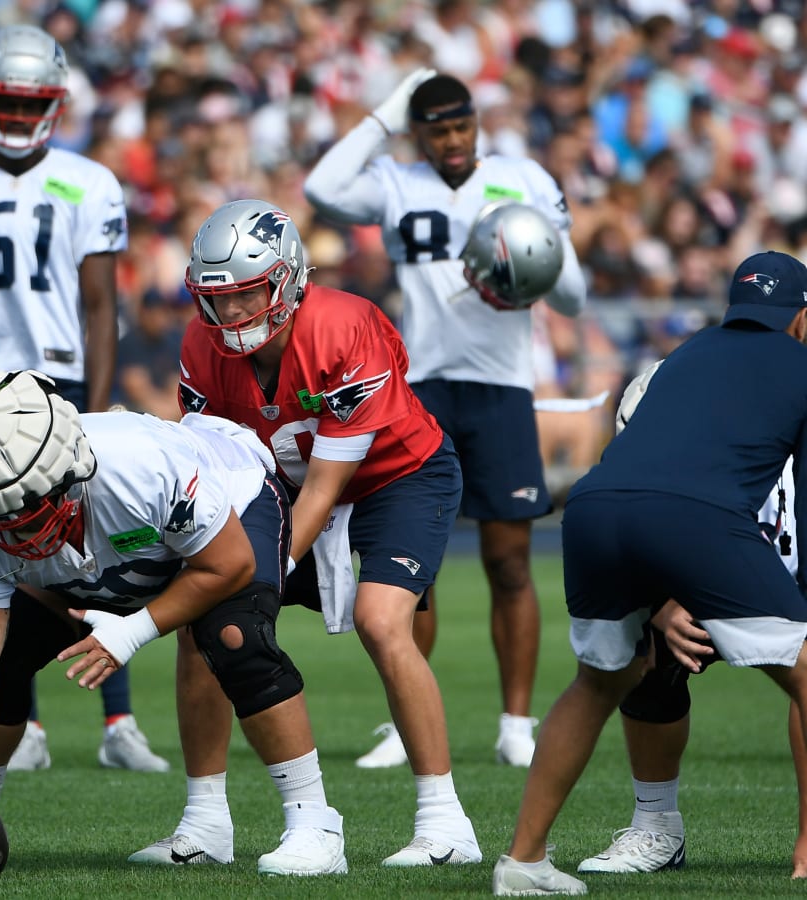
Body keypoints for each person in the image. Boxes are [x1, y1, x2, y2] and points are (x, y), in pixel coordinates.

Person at [143, 198, 481, 869]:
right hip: (287, 485)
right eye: (219, 299)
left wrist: (257, 581)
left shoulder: (343, 326)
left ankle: (447, 822)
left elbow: (327, 488)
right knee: (202, 614)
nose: (232, 314)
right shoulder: (199, 347)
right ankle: (206, 820)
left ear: (289, 278)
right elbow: (222, 467)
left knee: (384, 621)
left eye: (247, 295)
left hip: (396, 477)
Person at [0, 369, 346, 877]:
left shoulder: (142, 467)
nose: (12, 534)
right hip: (111, 549)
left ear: (69, 473)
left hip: (231, 506)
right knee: (10, 650)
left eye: (26, 512)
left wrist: (132, 629)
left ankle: (315, 823)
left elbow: (228, 566)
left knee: (233, 635)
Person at [492, 251, 807, 896]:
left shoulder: (684, 355)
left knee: (600, 679)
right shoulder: (799, 363)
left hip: (592, 510)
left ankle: (522, 861)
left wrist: (658, 590)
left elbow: (639, 467)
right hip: (702, 526)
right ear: (802, 318)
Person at [304, 69, 588, 767]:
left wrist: (531, 272)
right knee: (412, 565)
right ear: (419, 131)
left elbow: (575, 296)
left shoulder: (521, 176)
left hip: (500, 388)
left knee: (510, 561)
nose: (453, 140)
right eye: (436, 129)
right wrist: (387, 109)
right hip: (418, 387)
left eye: (462, 126)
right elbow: (321, 187)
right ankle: (406, 724)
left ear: (476, 126)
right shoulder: (399, 182)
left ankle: (515, 721)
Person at [0, 24, 162, 789]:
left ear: (55, 102)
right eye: (5, 100)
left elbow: (98, 308)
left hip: (60, 383)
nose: (18, 115)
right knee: (4, 556)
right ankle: (23, 724)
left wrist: (104, 399)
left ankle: (117, 717)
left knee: (95, 548)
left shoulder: (90, 181)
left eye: (31, 101)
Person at [578, 362, 805, 877]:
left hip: (789, 576)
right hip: (723, 577)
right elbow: (622, 537)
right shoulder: (651, 448)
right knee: (637, 640)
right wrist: (659, 605)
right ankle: (655, 826)